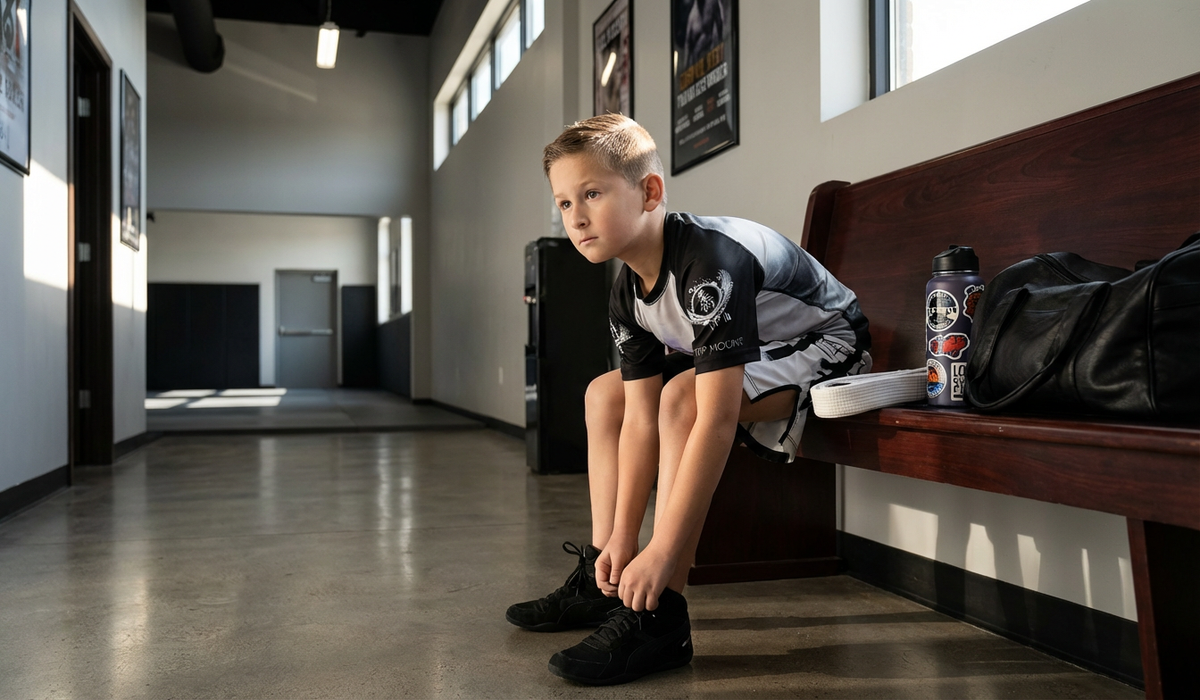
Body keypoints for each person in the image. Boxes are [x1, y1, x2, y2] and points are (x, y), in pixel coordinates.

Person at [505, 114, 872, 685]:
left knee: (684, 397)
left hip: (828, 343)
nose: (576, 217)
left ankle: (660, 613)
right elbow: (636, 420)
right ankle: (609, 574)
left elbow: (715, 416)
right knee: (606, 396)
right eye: (563, 203)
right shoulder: (627, 288)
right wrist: (626, 539)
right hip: (754, 348)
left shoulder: (708, 266)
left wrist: (661, 548)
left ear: (649, 192)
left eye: (592, 193)